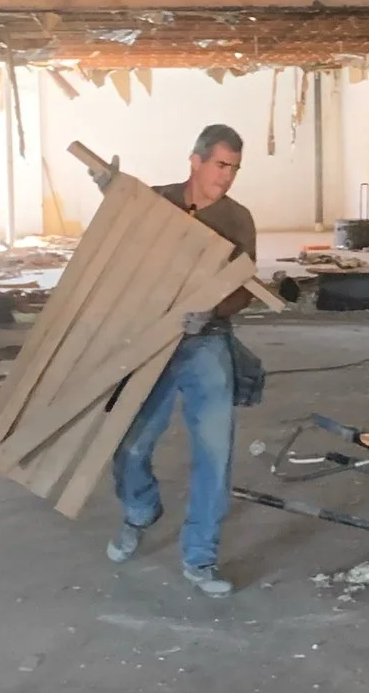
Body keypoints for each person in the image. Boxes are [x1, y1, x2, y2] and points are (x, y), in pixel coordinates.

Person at [107, 124, 258, 595]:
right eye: (220, 165)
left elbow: (246, 290)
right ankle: (140, 510)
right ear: (195, 160)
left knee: (214, 455)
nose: (227, 176)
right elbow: (117, 243)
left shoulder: (237, 220)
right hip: (152, 341)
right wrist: (109, 196)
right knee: (129, 444)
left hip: (206, 343)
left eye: (234, 167)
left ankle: (200, 558)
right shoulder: (157, 202)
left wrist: (212, 310)